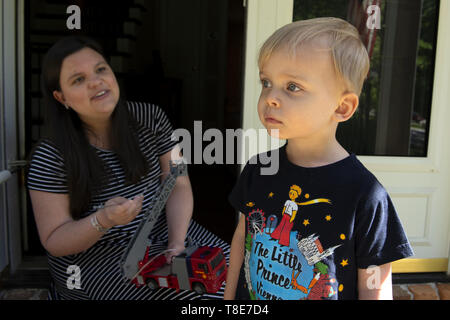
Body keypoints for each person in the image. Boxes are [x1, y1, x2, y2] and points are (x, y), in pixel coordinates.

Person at [224, 17, 413, 300]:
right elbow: (242, 240)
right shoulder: (257, 169)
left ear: (342, 106)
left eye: (292, 87)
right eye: (266, 82)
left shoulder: (365, 194)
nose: (270, 98)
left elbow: (375, 281)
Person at [26, 36, 229, 300]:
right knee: (199, 299)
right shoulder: (50, 155)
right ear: (61, 97)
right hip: (99, 259)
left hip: (164, 231)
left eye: (101, 69)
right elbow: (54, 239)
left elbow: (178, 181)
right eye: (78, 79)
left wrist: (177, 243)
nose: (96, 81)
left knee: (244, 274)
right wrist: (103, 220)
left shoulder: (150, 118)